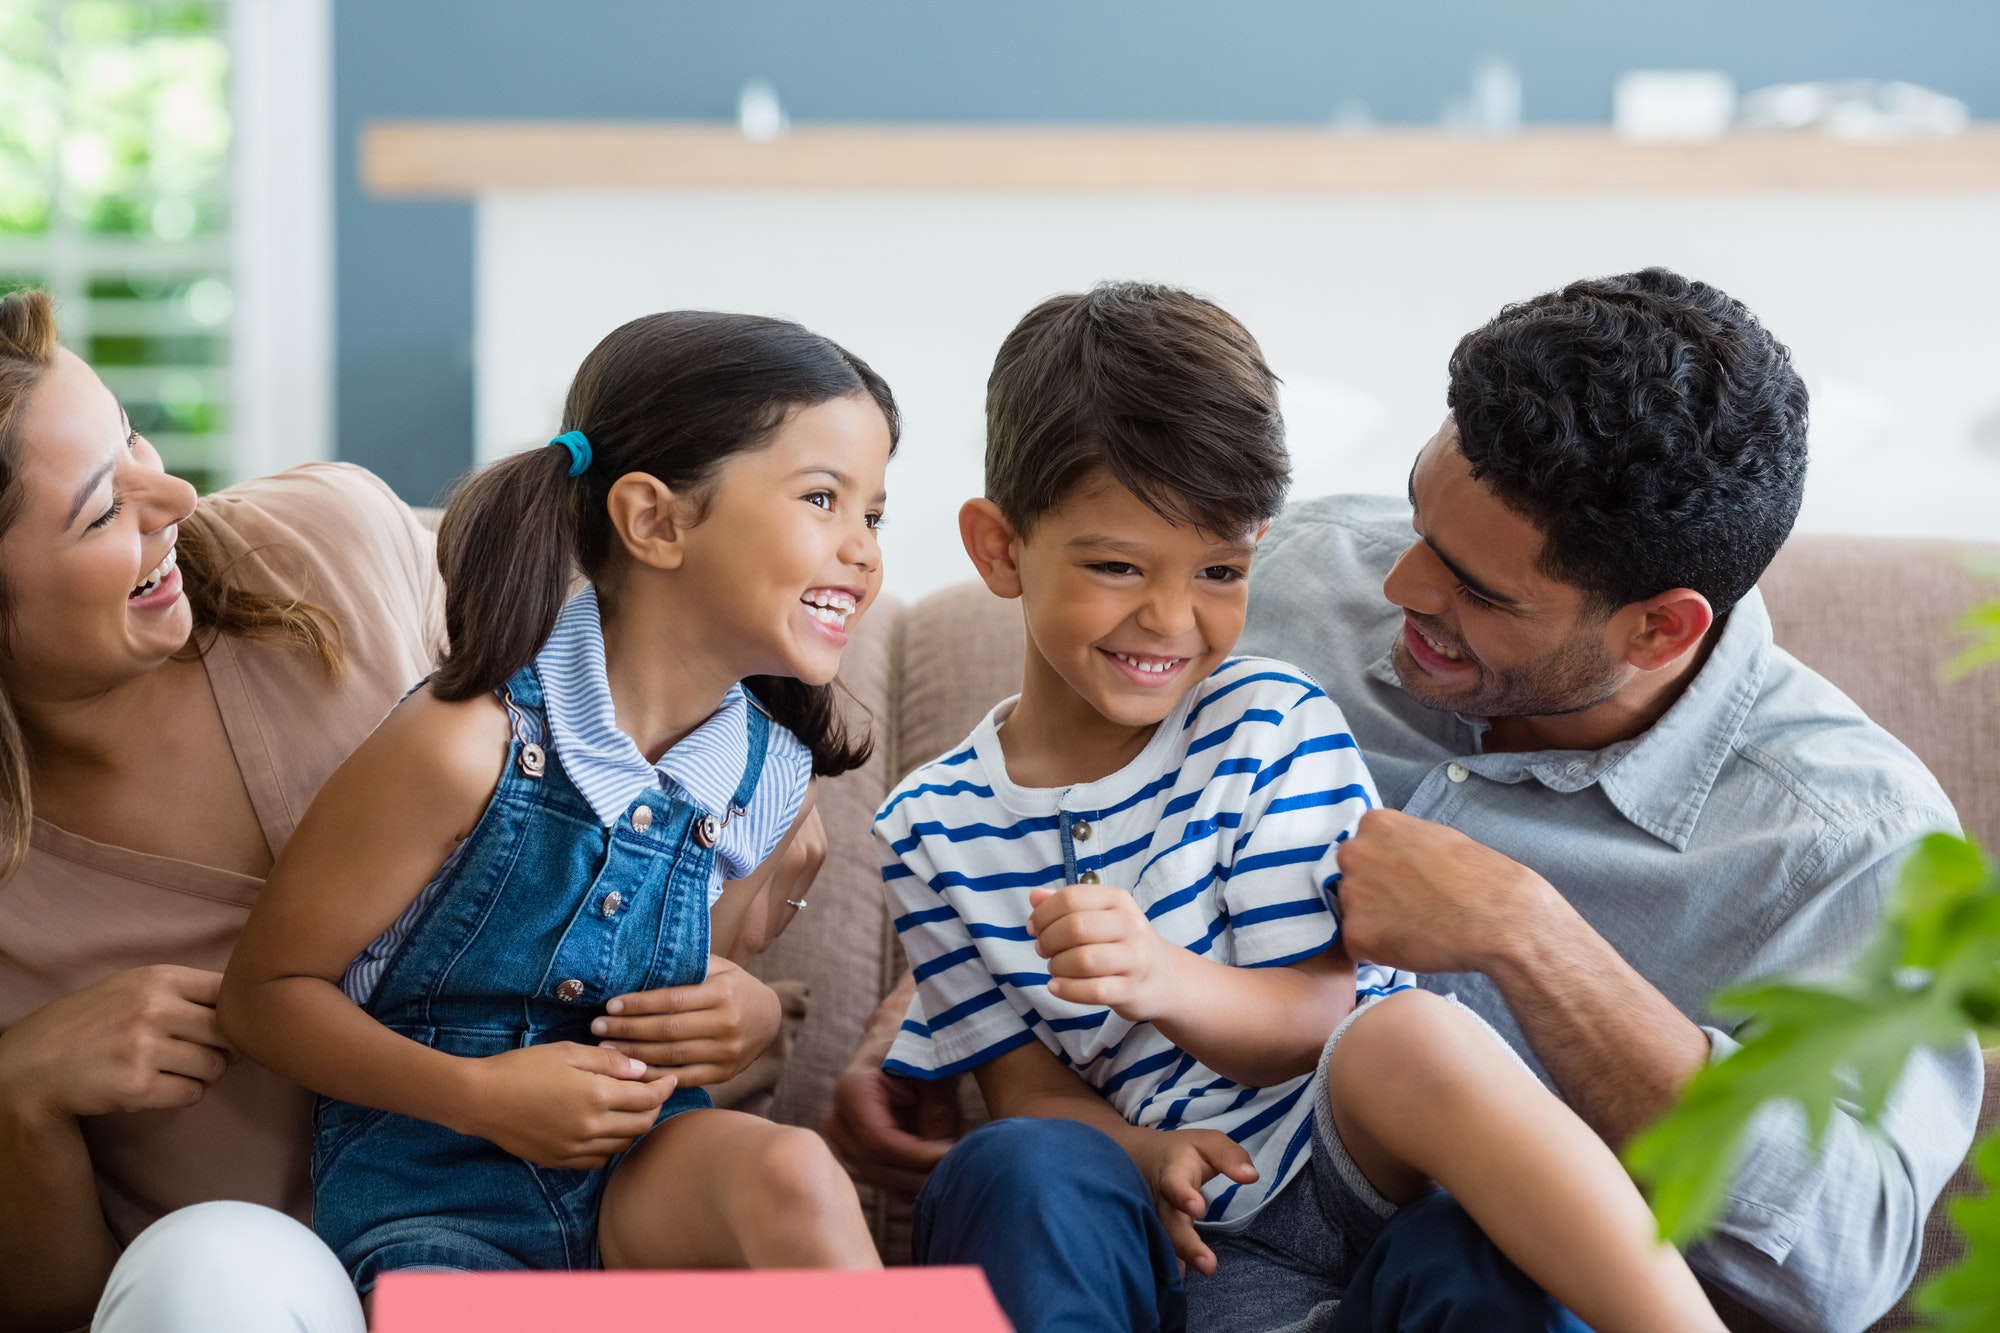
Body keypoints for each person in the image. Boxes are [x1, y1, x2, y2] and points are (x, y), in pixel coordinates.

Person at [829, 269, 1978, 1331]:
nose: (1397, 585)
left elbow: (1841, 1253)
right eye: (1420, 520)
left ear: (1657, 627)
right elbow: (1048, 766)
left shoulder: (1848, 840)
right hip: (1167, 1221)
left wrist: (1530, 943)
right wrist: (956, 999)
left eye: (1475, 589)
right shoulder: (1287, 585)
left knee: (1483, 1239)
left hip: (1446, 1260)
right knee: (1019, 1167)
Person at [0, 287, 822, 1333]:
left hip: (586, 1214)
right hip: (281, 1283)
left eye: (134, 439)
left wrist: (748, 983)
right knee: (205, 1268)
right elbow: (54, 1305)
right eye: (101, 510)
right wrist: (18, 1094)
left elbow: (637, 712)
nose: (175, 496)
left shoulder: (322, 551)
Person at [220, 312, 892, 1292]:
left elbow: (690, 999)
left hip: (641, 1175)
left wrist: (744, 1014)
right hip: (438, 1196)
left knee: (791, 1167)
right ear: (654, 520)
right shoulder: (463, 746)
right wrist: (478, 1092)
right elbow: (262, 998)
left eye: (873, 514)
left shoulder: (772, 786)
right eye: (823, 499)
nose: (861, 549)